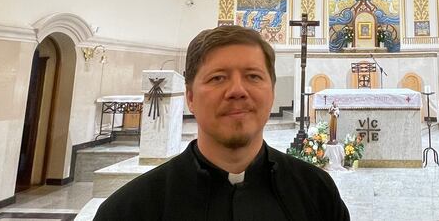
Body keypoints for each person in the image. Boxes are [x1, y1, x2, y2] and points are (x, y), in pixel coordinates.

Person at [95, 25, 349, 220]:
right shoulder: (129, 210)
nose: (237, 90)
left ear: (271, 93)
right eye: (218, 78)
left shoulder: (317, 194)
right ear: (190, 97)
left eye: (253, 76)